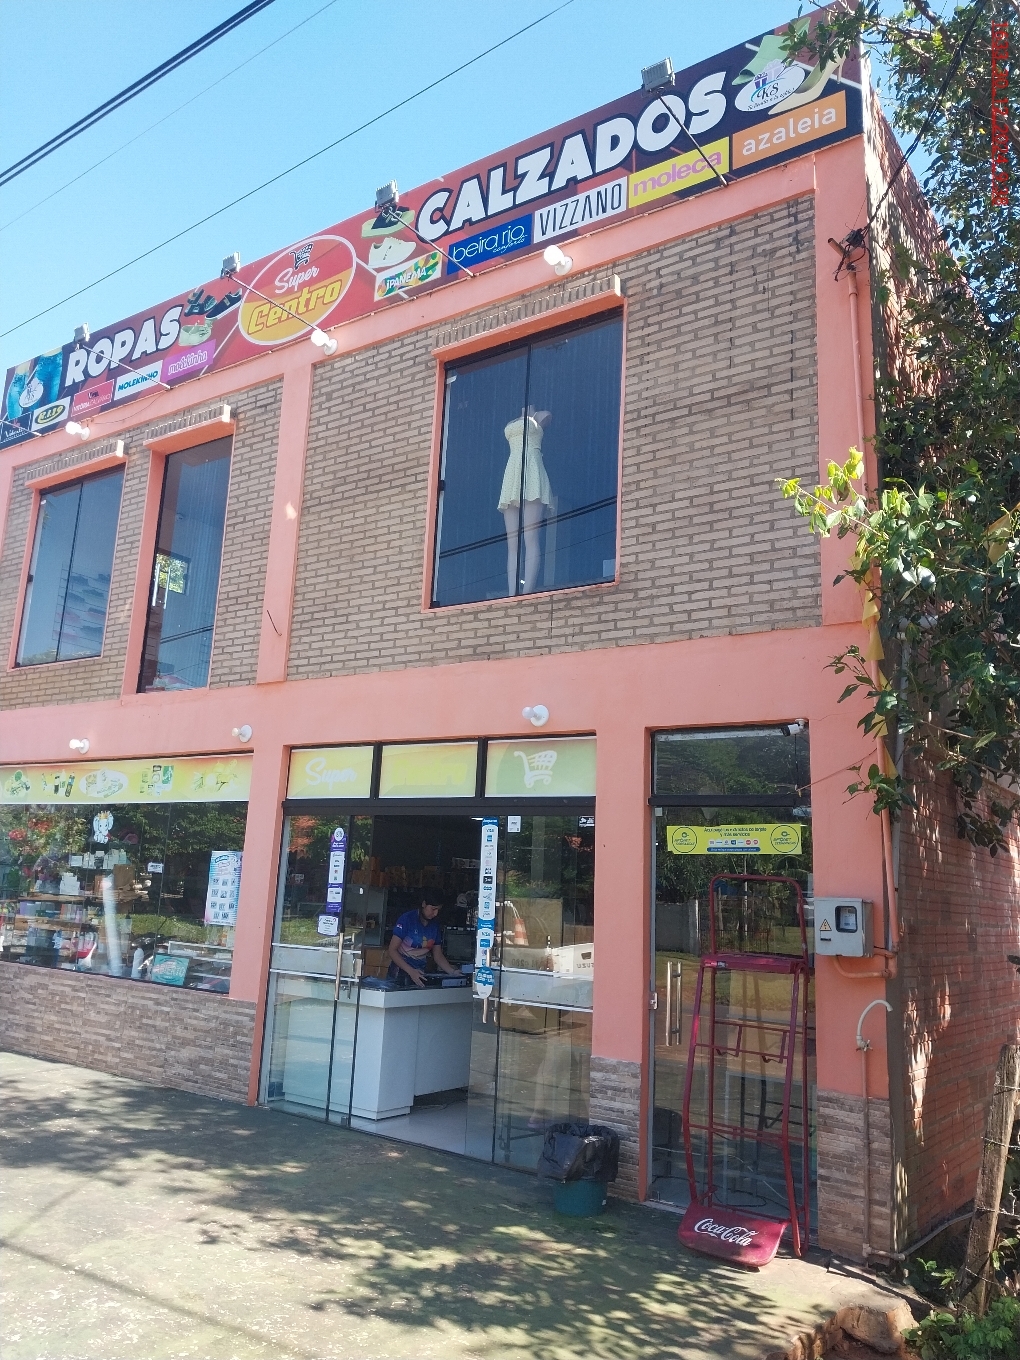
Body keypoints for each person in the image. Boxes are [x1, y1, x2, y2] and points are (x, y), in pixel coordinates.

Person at [387, 890, 462, 987]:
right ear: (424, 904)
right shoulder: (407, 919)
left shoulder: (435, 925)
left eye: (438, 910)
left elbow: (438, 955)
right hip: (399, 973)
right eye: (433, 909)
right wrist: (411, 971)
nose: (436, 913)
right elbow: (392, 950)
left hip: (420, 973)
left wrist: (453, 972)